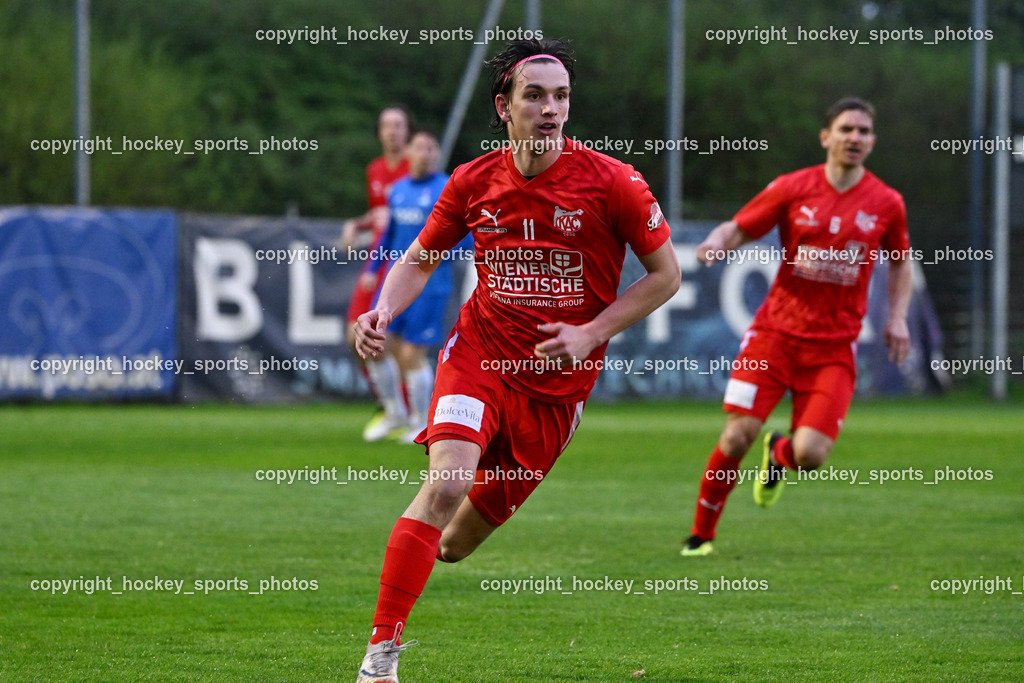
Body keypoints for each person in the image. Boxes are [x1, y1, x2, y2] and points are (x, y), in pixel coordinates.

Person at [352, 38, 681, 682]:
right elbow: (420, 257)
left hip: (556, 393)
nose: (551, 108)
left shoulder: (613, 182)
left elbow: (665, 276)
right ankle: (379, 662)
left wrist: (591, 333)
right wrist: (384, 311)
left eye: (561, 96)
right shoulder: (474, 180)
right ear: (504, 107)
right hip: (479, 356)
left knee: (452, 545)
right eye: (535, 95)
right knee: (444, 483)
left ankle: (421, 559)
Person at [680, 97, 913, 558]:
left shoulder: (887, 202)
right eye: (846, 129)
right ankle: (701, 535)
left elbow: (901, 261)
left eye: (864, 131)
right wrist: (715, 242)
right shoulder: (793, 187)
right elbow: (740, 227)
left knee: (811, 455)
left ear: (872, 141)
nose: (855, 138)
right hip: (775, 336)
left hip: (832, 348)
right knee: (736, 434)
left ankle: (780, 454)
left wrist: (898, 316)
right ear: (826, 137)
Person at [362, 128, 472, 443]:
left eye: (430, 148)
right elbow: (389, 234)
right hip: (394, 282)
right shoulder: (397, 190)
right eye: (419, 147)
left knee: (411, 354)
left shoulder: (448, 187)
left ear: (437, 154)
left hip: (431, 284)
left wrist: (435, 255)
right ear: (408, 152)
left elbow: (469, 238)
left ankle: (423, 423)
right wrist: (373, 269)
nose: (424, 153)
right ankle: (395, 412)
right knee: (381, 346)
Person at [338, 105, 412, 441]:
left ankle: (411, 414)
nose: (393, 131)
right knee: (356, 334)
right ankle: (391, 405)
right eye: (387, 125)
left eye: (398, 125)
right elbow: (382, 216)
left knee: (397, 342)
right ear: (380, 132)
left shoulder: (417, 165)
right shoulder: (376, 170)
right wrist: (358, 224)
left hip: (407, 261)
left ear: (407, 131)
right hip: (376, 261)